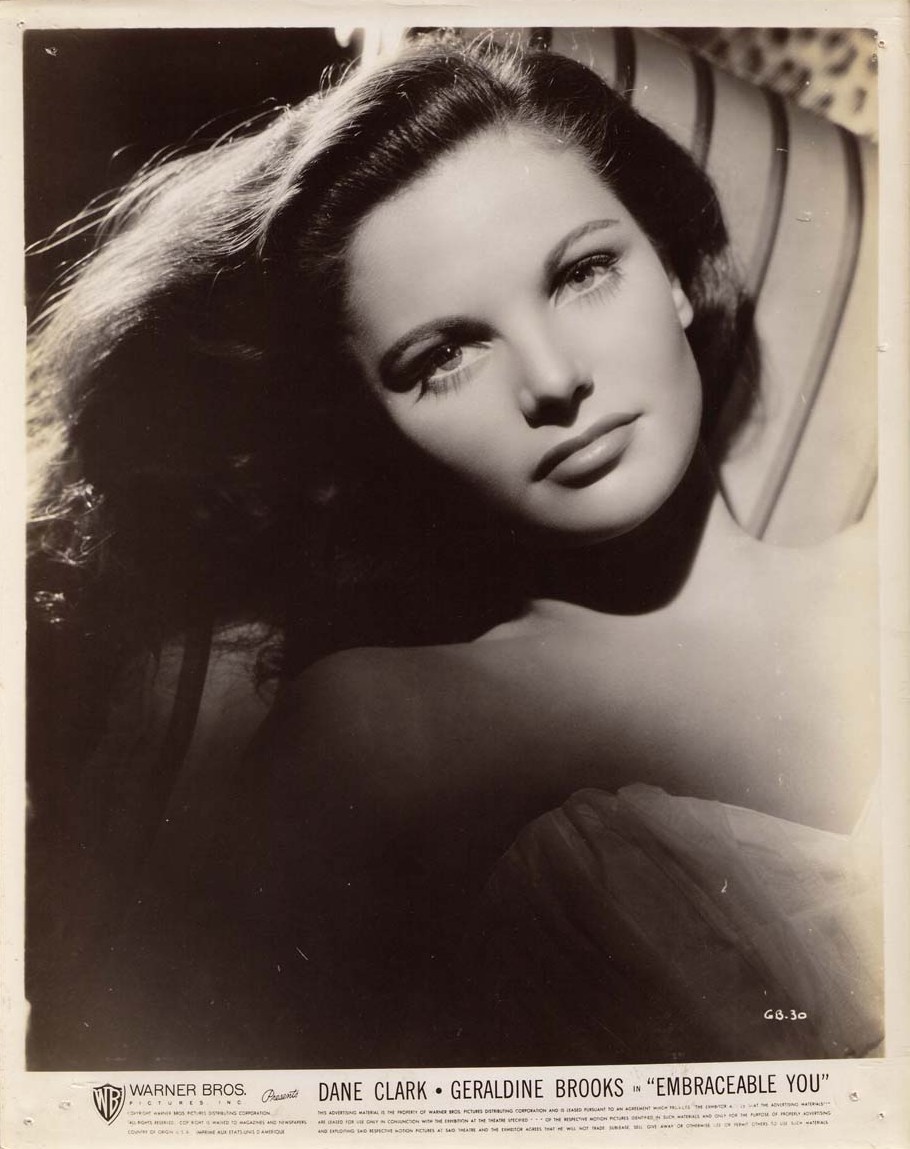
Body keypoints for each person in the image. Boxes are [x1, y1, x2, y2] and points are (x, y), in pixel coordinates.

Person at [26, 33, 881, 1070]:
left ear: (671, 273)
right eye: (443, 355)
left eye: (583, 273)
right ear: (371, 422)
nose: (552, 380)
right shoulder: (387, 735)